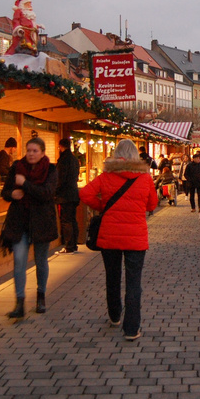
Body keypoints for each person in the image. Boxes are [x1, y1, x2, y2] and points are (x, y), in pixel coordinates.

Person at [79, 139, 157, 341]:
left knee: (112, 277)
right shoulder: (145, 178)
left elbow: (85, 193)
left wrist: (102, 206)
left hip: (110, 237)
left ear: (116, 154)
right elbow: (152, 204)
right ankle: (131, 328)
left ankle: (114, 315)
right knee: (133, 283)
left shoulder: (106, 176)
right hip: (136, 239)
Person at [0, 137, 59, 319]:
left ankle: (41, 297)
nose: (31, 154)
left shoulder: (51, 170)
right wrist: (12, 194)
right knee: (19, 262)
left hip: (41, 222)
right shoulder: (17, 167)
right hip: (20, 222)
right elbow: (5, 192)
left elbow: (47, 193)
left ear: (42, 153)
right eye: (29, 150)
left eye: (35, 151)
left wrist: (24, 184)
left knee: (41, 261)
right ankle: (20, 302)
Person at [56, 138, 81, 253]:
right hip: (74, 193)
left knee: (66, 220)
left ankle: (69, 246)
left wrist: (55, 191)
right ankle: (74, 244)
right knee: (72, 219)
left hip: (65, 195)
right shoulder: (74, 159)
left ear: (61, 146)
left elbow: (60, 179)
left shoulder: (63, 160)